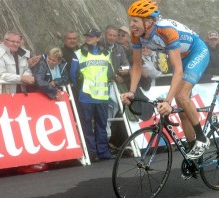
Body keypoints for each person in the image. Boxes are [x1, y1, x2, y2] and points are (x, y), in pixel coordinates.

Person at [121, 0, 210, 159]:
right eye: (131, 20)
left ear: (149, 22)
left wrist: (168, 102)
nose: (131, 24)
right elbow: (136, 65)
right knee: (183, 113)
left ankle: (202, 139)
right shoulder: (136, 35)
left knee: (180, 96)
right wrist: (131, 92)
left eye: (135, 20)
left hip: (196, 52)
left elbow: (177, 70)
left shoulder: (166, 31)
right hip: (181, 56)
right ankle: (193, 155)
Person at [70, 28, 114, 161]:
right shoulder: (78, 53)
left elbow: (110, 73)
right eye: (87, 36)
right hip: (86, 96)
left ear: (98, 38)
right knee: (87, 125)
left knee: (101, 125)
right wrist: (81, 88)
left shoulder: (106, 53)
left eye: (91, 36)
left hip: (102, 96)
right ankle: (91, 153)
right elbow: (72, 74)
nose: (88, 38)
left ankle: (103, 152)